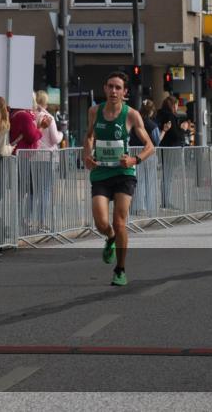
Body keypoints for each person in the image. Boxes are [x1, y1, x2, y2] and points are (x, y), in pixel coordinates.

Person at [82, 72, 155, 287]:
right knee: (101, 222)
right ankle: (110, 236)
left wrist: (134, 159)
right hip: (101, 172)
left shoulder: (132, 115)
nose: (114, 91)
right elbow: (89, 136)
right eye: (110, 86)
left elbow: (150, 146)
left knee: (120, 221)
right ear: (105, 89)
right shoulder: (94, 111)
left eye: (118, 88)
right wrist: (88, 155)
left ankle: (120, 269)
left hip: (124, 173)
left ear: (124, 92)